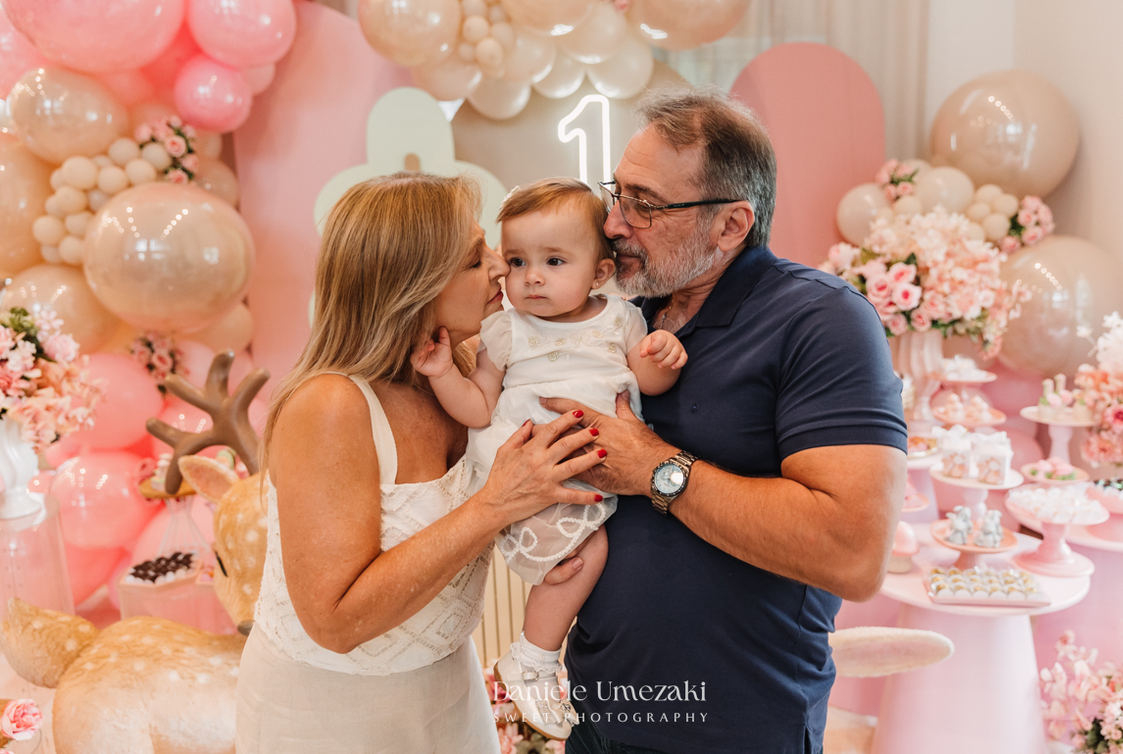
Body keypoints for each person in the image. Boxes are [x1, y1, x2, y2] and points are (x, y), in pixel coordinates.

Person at [542, 87, 909, 753]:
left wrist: (653, 467)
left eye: (645, 204)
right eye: (617, 193)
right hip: (599, 719)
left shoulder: (822, 321)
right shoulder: (625, 316)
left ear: (732, 226)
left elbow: (854, 554)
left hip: (737, 729)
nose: (614, 223)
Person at [234, 172, 609, 753]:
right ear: (410, 286)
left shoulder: (463, 370)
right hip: (331, 715)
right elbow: (335, 622)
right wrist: (496, 506)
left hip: (450, 690)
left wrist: (546, 550)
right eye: (473, 260)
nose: (499, 266)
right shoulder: (331, 406)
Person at [412, 178, 687, 740]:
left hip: (597, 467)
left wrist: (665, 356)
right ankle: (534, 657)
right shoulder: (505, 330)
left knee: (592, 555)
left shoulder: (622, 319)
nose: (531, 276)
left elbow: (649, 382)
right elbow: (478, 407)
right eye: (517, 261)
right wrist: (442, 374)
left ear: (600, 273)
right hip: (532, 468)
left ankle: (535, 658)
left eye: (554, 261)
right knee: (586, 554)